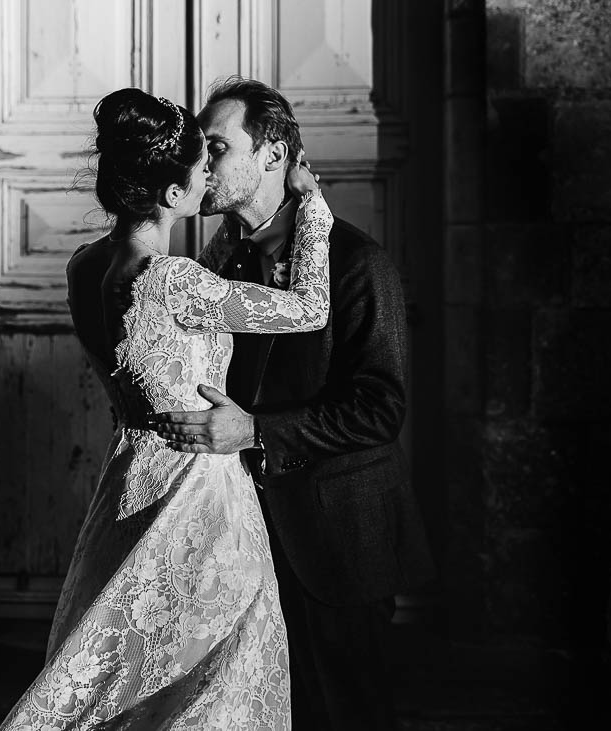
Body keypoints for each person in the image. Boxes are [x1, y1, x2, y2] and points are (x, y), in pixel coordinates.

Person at [0, 87, 329, 730]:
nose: (210, 179)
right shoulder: (174, 281)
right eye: (202, 170)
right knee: (209, 683)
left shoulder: (85, 266)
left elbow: (175, 315)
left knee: (127, 674)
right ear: (173, 196)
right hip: (195, 492)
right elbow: (309, 308)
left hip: (130, 481)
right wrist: (312, 204)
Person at [148, 77, 435, 730]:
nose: (198, 164)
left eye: (216, 146)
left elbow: (378, 407)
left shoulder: (358, 263)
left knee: (345, 714)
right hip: (243, 538)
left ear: (273, 153)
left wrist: (254, 430)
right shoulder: (218, 267)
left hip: (335, 539)